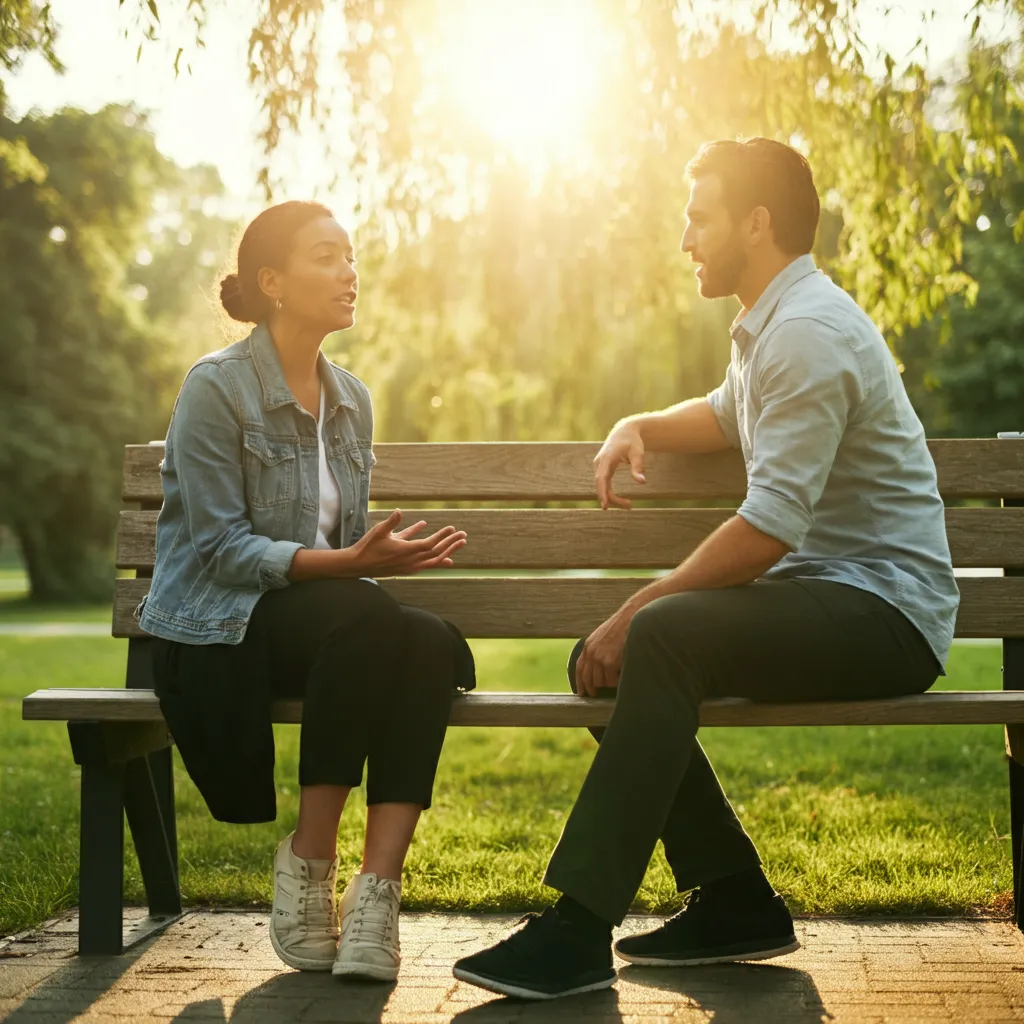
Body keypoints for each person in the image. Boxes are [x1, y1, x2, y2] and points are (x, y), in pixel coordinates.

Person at [453, 137, 960, 1000]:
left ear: (756, 223)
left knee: (656, 634)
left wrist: (634, 610)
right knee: (607, 660)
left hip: (887, 614)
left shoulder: (807, 333)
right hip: (831, 599)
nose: (685, 237)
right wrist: (640, 424)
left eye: (700, 217)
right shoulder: (773, 325)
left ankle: (578, 928)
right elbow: (727, 413)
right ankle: (732, 898)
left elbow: (767, 529)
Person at [138, 201, 474, 982]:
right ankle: (310, 860)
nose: (349, 272)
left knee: (421, 642)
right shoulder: (216, 389)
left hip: (333, 635)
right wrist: (354, 565)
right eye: (327, 257)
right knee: (369, 617)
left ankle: (376, 895)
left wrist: (363, 562)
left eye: (351, 256)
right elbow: (220, 551)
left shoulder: (350, 397)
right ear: (273, 282)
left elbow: (343, 556)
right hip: (224, 629)